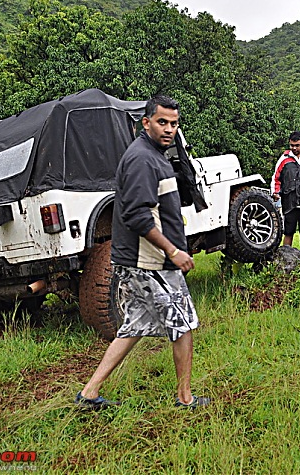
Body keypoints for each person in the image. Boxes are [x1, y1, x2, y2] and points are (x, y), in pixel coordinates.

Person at [75, 95, 210, 410]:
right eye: (162, 122)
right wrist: (173, 250)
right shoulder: (141, 159)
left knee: (134, 325)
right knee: (183, 324)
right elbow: (137, 216)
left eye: (174, 124)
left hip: (145, 261)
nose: (169, 129)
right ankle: (185, 399)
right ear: (145, 122)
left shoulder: (156, 156)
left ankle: (89, 393)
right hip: (151, 262)